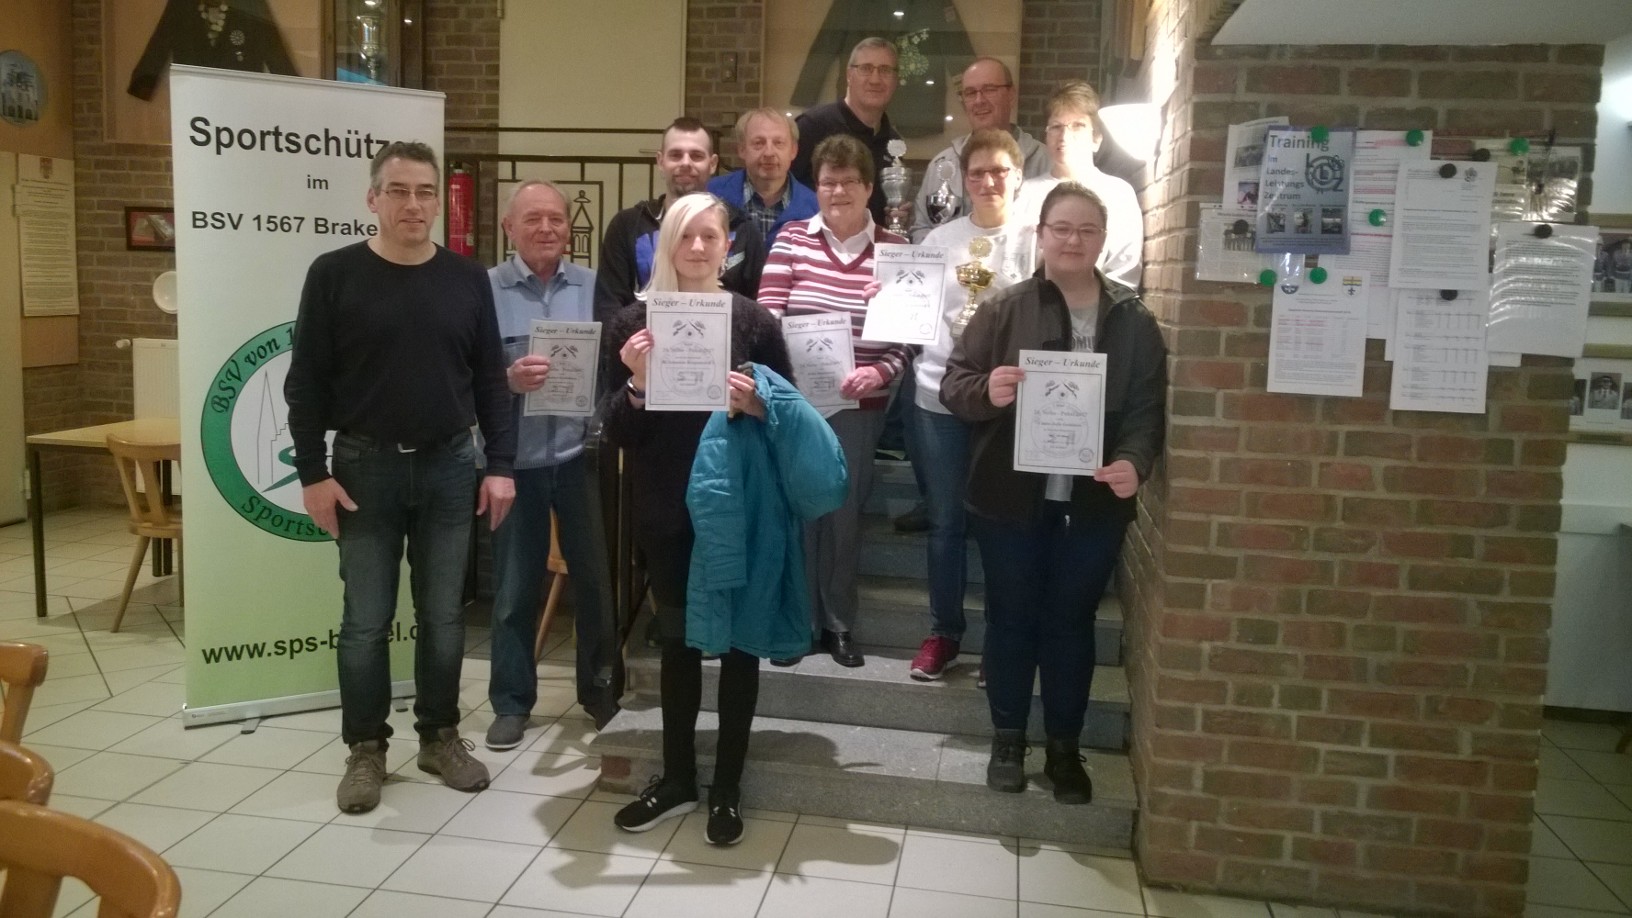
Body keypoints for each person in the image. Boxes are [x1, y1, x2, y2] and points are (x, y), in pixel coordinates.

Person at [285, 141, 516, 814]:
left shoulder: (467, 279)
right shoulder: (334, 274)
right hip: (364, 468)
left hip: (450, 465)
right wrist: (312, 473)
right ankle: (366, 749)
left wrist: (500, 466)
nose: (413, 204)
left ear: (438, 201)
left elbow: (490, 382)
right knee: (366, 619)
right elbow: (305, 383)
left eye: (424, 191)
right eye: (398, 191)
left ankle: (439, 738)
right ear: (372, 198)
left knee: (443, 616)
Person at [940, 181, 1166, 804]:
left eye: (1087, 230)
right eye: (1061, 228)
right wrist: (988, 390)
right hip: (1009, 499)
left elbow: (1146, 407)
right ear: (1040, 235)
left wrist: (1134, 461)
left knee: (1070, 623)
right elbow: (954, 385)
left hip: (1093, 505)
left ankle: (1064, 748)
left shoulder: (1133, 318)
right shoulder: (1002, 307)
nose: (1073, 240)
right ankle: (1008, 739)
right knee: (1011, 619)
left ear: (1103, 240)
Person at [602, 194, 808, 846]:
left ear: (728, 246)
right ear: (666, 242)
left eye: (709, 236)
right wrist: (637, 383)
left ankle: (727, 787)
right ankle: (679, 779)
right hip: (666, 507)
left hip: (737, 505)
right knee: (680, 645)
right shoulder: (632, 324)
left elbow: (788, 413)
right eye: (685, 235)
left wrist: (758, 406)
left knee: (740, 646)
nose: (697, 247)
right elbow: (617, 432)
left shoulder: (754, 321)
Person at [757, 134, 910, 668]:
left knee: (844, 517)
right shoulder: (791, 239)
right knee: (799, 512)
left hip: (860, 406)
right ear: (815, 187)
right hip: (798, 405)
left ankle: (839, 624)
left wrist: (877, 372)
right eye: (827, 182)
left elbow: (909, 340)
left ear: (869, 188)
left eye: (848, 181)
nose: (837, 191)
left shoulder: (896, 250)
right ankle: (797, 623)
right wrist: (787, 368)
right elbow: (767, 314)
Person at [484, 181, 620, 747]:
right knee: (515, 589)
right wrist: (506, 379)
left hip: (578, 457)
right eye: (532, 218)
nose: (546, 228)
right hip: (513, 463)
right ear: (509, 228)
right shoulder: (484, 290)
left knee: (595, 584)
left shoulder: (595, 287)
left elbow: (617, 365)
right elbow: (463, 373)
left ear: (569, 227)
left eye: (556, 219)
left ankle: (600, 693)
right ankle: (511, 703)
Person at [908, 129, 1038, 683]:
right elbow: (915, 309)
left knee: (1001, 525)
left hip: (1007, 402)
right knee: (945, 524)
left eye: (999, 171)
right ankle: (944, 632)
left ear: (1018, 176)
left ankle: (1000, 641)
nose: (988, 182)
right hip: (939, 396)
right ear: (963, 180)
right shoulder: (940, 240)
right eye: (977, 172)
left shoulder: (1035, 238)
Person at [593, 117, 768, 322]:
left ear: (712, 164)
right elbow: (608, 308)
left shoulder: (743, 229)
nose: (686, 163)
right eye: (676, 155)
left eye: (696, 156)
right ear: (660, 161)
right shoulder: (626, 226)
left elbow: (757, 308)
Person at [1015, 81, 1143, 289]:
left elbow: (1123, 270)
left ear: (1096, 139)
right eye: (1056, 127)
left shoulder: (1117, 193)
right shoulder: (1024, 194)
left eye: (1078, 126)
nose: (1064, 136)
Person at [909, 57, 1050, 242]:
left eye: (989, 89)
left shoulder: (1045, 162)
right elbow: (921, 228)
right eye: (970, 93)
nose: (979, 100)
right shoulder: (942, 165)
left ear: (1011, 94)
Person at [791, 37, 907, 229]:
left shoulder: (893, 141)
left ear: (895, 80)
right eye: (866, 68)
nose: (875, 79)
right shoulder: (812, 126)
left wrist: (892, 216)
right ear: (849, 75)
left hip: (872, 245)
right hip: (814, 243)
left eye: (885, 70)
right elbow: (785, 193)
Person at [706, 108, 818, 248]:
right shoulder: (711, 196)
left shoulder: (816, 209)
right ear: (741, 149)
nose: (769, 153)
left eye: (778, 143)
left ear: (793, 151)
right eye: (759, 143)